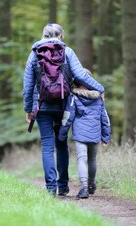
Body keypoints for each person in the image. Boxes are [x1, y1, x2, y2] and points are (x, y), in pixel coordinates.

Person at [23, 23, 105, 196]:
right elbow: (81, 75)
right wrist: (100, 89)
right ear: (60, 35)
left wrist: (29, 109)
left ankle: (51, 188)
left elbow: (28, 85)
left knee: (47, 146)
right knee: (61, 144)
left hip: (42, 105)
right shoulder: (67, 52)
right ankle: (63, 186)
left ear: (43, 35)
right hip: (64, 105)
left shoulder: (34, 54)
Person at [58, 70, 111, 199]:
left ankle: (84, 188)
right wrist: (106, 136)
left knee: (82, 159)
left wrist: (62, 134)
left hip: (80, 133)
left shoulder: (74, 96)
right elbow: (105, 118)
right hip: (95, 132)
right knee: (92, 160)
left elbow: (68, 116)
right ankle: (92, 184)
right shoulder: (98, 97)